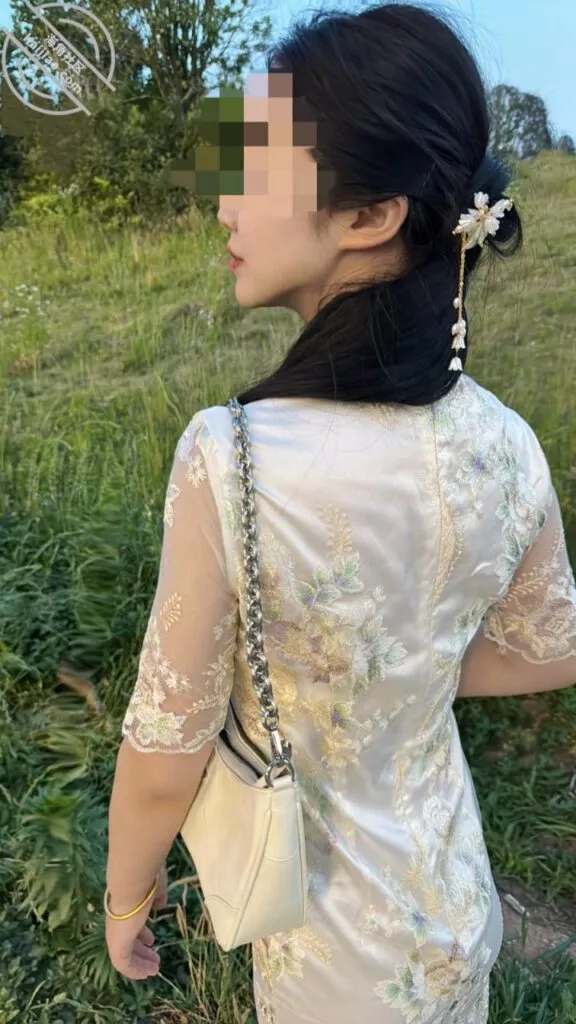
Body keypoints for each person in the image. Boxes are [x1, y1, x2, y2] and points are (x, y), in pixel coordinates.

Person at [104, 4, 576, 1022]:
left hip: (332, 947)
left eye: (258, 167)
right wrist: (405, 667)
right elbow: (551, 650)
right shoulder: (506, 442)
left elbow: (166, 749)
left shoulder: (233, 459)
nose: (224, 202)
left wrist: (125, 897)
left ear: (371, 216)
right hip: (451, 902)